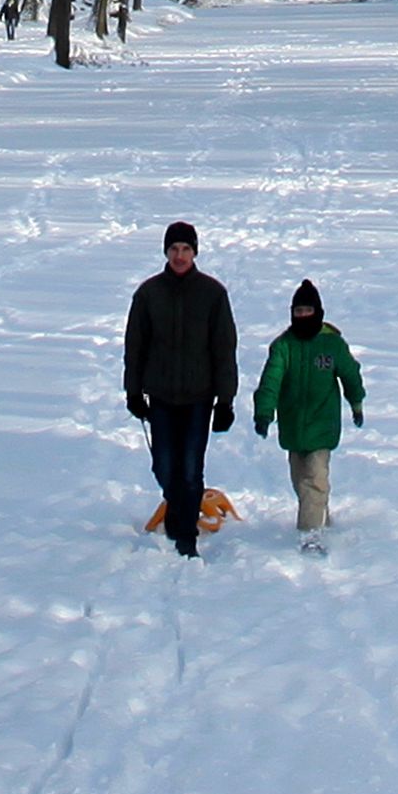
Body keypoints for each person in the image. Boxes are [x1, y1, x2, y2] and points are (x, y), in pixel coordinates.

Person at [122, 222, 240, 557]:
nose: (179, 255)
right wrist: (134, 391)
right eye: (174, 249)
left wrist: (225, 400)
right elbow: (135, 346)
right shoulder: (148, 294)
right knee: (163, 465)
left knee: (190, 468)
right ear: (166, 252)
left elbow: (224, 349)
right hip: (160, 395)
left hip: (199, 397)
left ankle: (185, 535)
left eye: (186, 249)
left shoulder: (212, 294)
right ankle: (180, 511)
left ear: (195, 252)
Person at [253, 283, 366, 543]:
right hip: (293, 425)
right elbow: (271, 380)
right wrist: (264, 413)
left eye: (308, 310)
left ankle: (310, 535)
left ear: (318, 312)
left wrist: (356, 403)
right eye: (298, 311)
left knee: (314, 477)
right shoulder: (284, 346)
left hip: (322, 424)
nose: (303, 315)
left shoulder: (332, 344)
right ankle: (320, 515)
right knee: (300, 480)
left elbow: (350, 374)